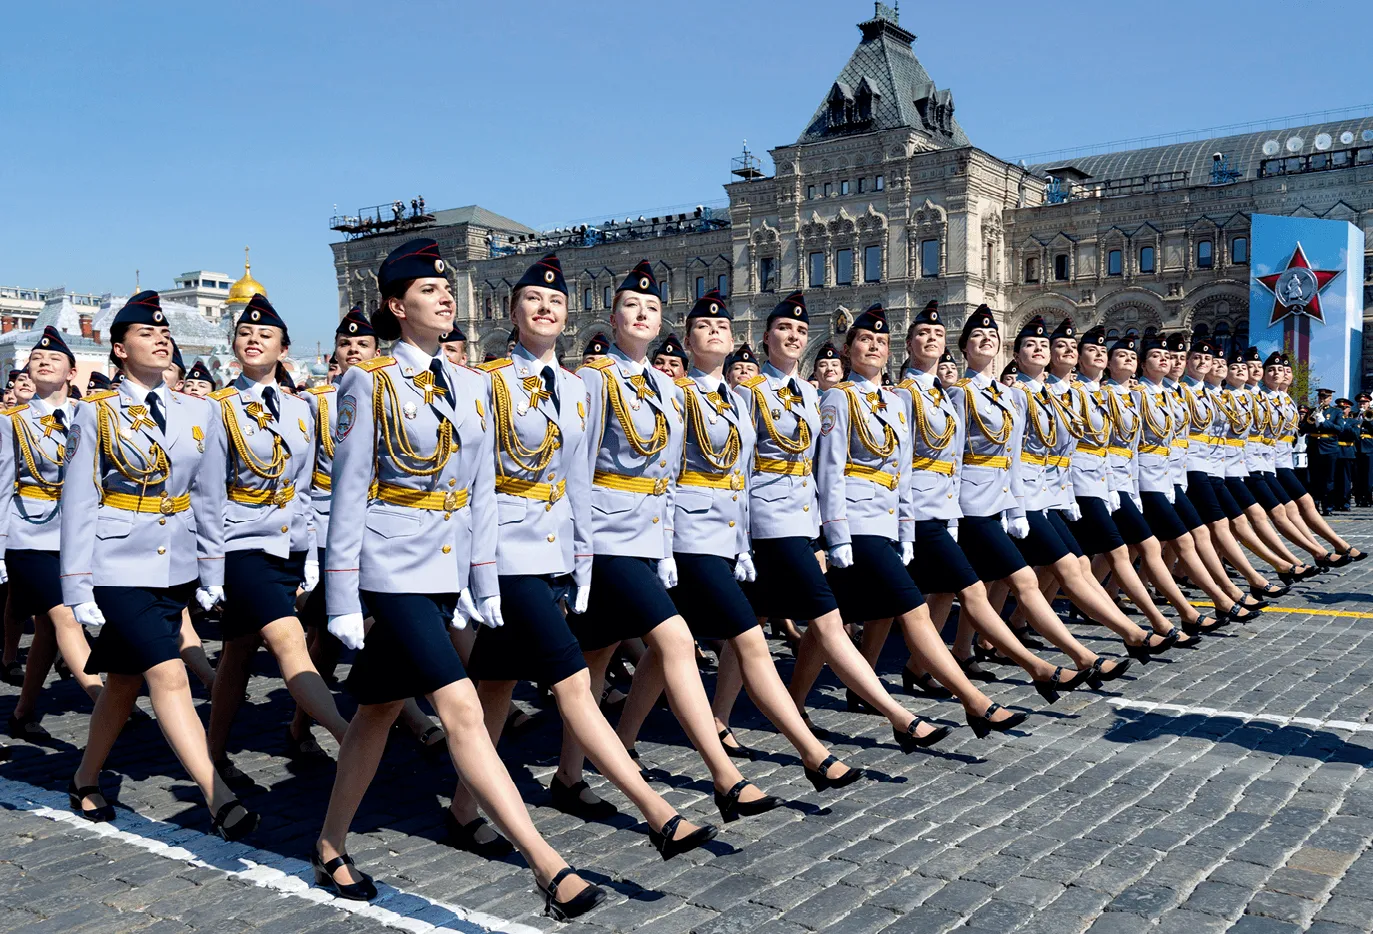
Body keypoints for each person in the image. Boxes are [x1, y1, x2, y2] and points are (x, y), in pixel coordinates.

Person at [318, 241, 606, 918]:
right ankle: (547, 865)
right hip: (392, 567)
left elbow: (479, 493)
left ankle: (330, 841)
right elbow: (349, 491)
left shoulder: (474, 385)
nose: (445, 298)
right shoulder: (370, 381)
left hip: (450, 570)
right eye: (427, 291)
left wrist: (482, 584)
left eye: (447, 290)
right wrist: (340, 594)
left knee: (378, 711)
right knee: (461, 708)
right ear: (396, 307)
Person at [449, 258, 719, 861]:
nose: (546, 308)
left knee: (494, 689)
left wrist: (582, 562)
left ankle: (464, 810)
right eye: (533, 299)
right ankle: (658, 812)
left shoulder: (573, 388)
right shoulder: (485, 382)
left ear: (569, 315)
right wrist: (477, 569)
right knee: (573, 681)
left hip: (556, 552)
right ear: (511, 312)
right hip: (505, 555)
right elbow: (472, 480)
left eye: (555, 300)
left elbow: (577, 482)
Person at [613, 288, 862, 786]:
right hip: (687, 537)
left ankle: (620, 743)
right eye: (704, 327)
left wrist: (743, 543)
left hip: (725, 536)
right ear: (685, 339)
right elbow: (661, 469)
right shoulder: (675, 394)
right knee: (749, 639)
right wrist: (664, 542)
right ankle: (810, 751)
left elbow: (742, 475)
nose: (715, 332)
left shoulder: (732, 397)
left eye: (723, 327)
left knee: (665, 653)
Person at [566, 258, 780, 825]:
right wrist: (581, 557)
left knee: (593, 660)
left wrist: (663, 548)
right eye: (631, 306)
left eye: (652, 308)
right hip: (607, 540)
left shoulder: (666, 386)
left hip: (646, 540)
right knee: (677, 641)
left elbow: (665, 476)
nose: (641, 314)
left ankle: (568, 775)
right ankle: (724, 775)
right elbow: (578, 472)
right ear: (612, 318)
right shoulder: (594, 379)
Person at [60, 291, 257, 840]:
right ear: (119, 350)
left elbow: (211, 496)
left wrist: (213, 571)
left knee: (123, 682)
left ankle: (84, 777)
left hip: (177, 563)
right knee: (168, 673)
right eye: (146, 333)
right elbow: (77, 502)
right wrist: (77, 587)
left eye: (164, 332)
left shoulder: (200, 410)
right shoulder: (94, 412)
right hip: (117, 562)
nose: (160, 338)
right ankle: (219, 798)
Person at [893, 305, 1096, 703]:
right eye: (976, 337)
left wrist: (1014, 506)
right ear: (964, 349)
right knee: (1000, 584)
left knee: (943, 593)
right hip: (954, 505)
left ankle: (920, 667)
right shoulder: (951, 393)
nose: (985, 341)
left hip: (978, 503)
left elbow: (1013, 454)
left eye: (991, 337)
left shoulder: (1002, 396)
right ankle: (1060, 660)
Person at [201, 293, 351, 785]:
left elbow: (305, 486)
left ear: (283, 350)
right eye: (245, 334)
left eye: (264, 335)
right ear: (233, 345)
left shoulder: (301, 409)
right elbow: (206, 494)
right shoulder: (218, 409)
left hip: (289, 546)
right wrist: (211, 567)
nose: (253, 340)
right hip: (241, 542)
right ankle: (348, 737)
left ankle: (213, 750)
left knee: (240, 649)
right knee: (289, 640)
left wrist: (307, 552)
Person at [2, 328, 108, 742]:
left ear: (72, 371)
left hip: (79, 535)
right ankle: (105, 697)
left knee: (48, 628)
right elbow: (1, 484)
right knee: (65, 615)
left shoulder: (92, 415)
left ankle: (23, 711)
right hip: (30, 535)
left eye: (54, 359)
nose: (43, 362)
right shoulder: (12, 421)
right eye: (35, 359)